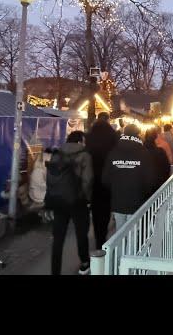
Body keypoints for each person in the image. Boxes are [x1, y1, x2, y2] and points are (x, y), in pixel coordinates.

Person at [46, 131, 93, 276]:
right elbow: (88, 180)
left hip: (59, 200)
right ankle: (84, 264)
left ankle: (55, 270)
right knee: (81, 234)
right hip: (78, 201)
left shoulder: (56, 154)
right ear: (80, 141)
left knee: (58, 238)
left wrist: (51, 199)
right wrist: (88, 199)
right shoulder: (85, 155)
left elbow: (50, 179)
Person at [102, 124, 155, 231]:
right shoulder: (143, 152)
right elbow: (150, 179)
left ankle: (121, 248)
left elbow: (105, 178)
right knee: (133, 232)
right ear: (138, 135)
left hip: (118, 200)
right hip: (136, 199)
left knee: (119, 233)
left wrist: (115, 188)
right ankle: (130, 248)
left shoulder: (113, 152)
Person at [85, 112, 119, 250]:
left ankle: (99, 240)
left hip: (93, 180)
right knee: (106, 211)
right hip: (109, 179)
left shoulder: (89, 136)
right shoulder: (114, 136)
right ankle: (105, 241)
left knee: (97, 211)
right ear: (108, 120)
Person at [144, 129, 171, 193]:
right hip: (160, 186)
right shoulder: (160, 151)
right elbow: (167, 167)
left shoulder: (140, 152)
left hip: (146, 188)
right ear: (155, 138)